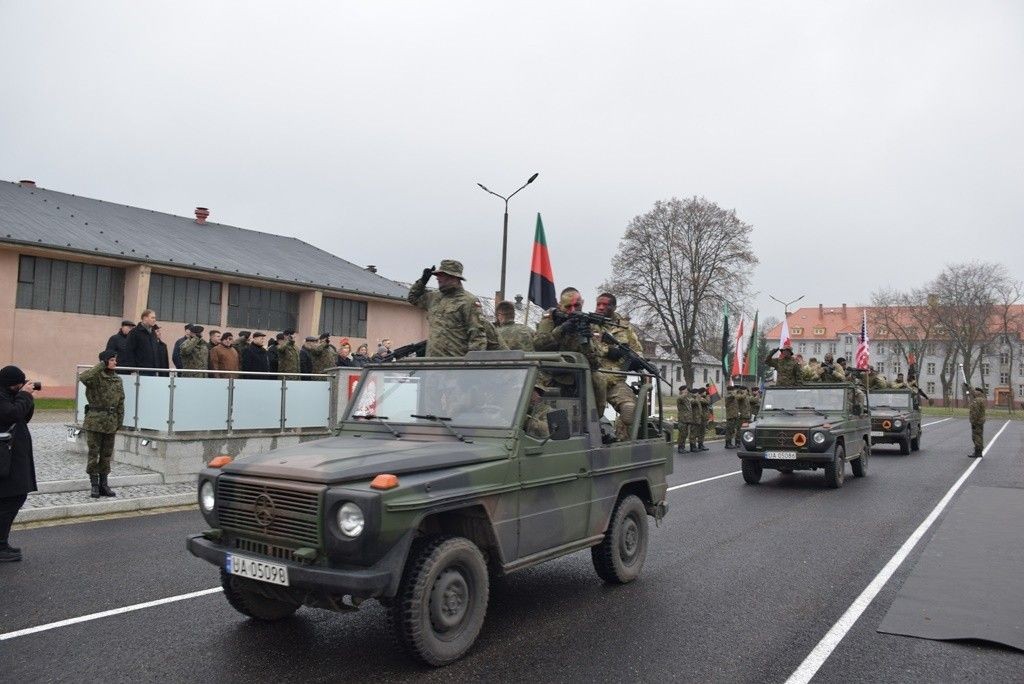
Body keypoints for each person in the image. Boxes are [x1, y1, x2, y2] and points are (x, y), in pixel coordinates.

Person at [407, 260, 487, 357]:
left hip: (455, 365)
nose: (437, 278)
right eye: (437, 275)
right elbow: (412, 298)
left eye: (442, 275)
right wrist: (422, 281)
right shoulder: (433, 297)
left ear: (454, 277)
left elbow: (477, 335)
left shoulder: (468, 301)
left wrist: (470, 364)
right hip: (432, 364)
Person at [0, 365, 37, 562]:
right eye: (19, 383)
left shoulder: (11, 396)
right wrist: (24, 396)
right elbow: (12, 414)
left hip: (13, 456)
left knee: (14, 497)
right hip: (5, 457)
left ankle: (3, 543)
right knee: (11, 498)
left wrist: (27, 398)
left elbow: (24, 416)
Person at [594, 293, 643, 441]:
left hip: (616, 380)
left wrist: (632, 359)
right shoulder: (589, 323)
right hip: (593, 377)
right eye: (598, 304)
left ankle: (619, 440)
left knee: (630, 409)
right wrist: (608, 351)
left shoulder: (624, 327)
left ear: (613, 307)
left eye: (605, 305)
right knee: (590, 414)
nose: (601, 307)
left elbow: (637, 351)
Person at [79, 350, 125, 498]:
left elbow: (121, 401)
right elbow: (83, 377)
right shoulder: (95, 377)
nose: (115, 363)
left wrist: (120, 420)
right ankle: (94, 485)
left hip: (110, 422)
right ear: (105, 361)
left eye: (115, 360)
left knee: (106, 455)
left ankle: (104, 485)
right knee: (94, 454)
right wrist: (101, 365)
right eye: (112, 360)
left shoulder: (117, 379)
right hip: (95, 421)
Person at [967, 386, 986, 458]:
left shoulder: (977, 400)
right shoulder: (981, 399)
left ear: (978, 393)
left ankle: (977, 452)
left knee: (976, 437)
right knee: (979, 436)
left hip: (977, 422)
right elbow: (972, 392)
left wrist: (973, 422)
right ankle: (979, 452)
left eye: (975, 391)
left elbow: (975, 412)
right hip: (980, 421)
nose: (974, 392)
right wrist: (968, 387)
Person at [675, 386, 692, 453]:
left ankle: (683, 447)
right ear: (682, 390)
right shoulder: (680, 397)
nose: (687, 391)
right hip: (682, 419)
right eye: (685, 390)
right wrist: (683, 393)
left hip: (687, 419)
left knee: (685, 434)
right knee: (682, 434)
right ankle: (680, 448)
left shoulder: (686, 398)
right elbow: (681, 397)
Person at [724, 385, 740, 449]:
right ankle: (727, 444)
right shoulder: (728, 395)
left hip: (734, 415)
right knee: (729, 430)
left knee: (732, 430)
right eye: (733, 390)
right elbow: (732, 396)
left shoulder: (733, 396)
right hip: (730, 416)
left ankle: (730, 443)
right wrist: (734, 392)